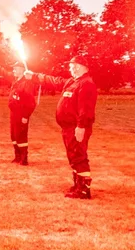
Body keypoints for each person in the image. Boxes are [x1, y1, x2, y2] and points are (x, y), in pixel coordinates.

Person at [33, 55, 98, 199]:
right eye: (70, 66)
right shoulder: (72, 82)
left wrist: (81, 127)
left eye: (74, 66)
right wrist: (36, 76)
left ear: (82, 67)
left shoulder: (86, 84)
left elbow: (85, 110)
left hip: (77, 128)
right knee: (73, 156)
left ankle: (83, 189)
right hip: (68, 128)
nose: (71, 68)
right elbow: (55, 81)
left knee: (79, 156)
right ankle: (78, 184)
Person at [8, 62, 41, 165]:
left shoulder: (26, 83)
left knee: (21, 135)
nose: (13, 70)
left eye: (15, 68)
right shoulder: (16, 81)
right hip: (13, 113)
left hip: (21, 113)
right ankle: (17, 156)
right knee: (14, 135)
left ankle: (24, 158)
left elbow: (30, 102)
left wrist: (25, 115)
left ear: (22, 69)